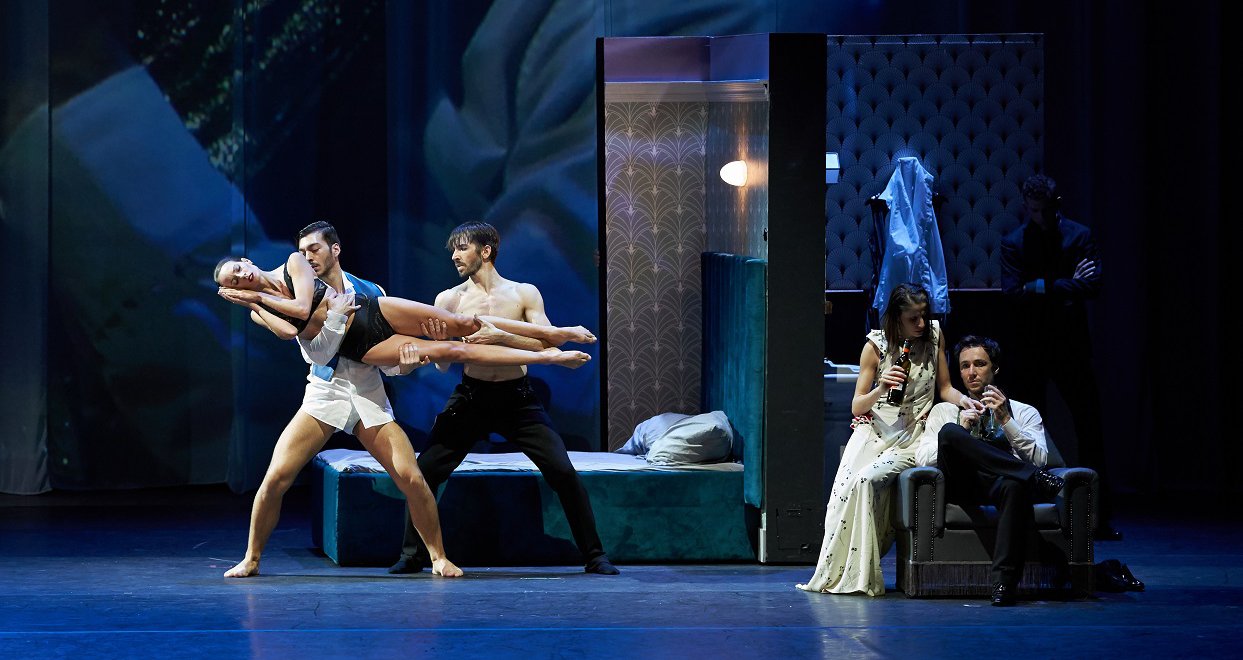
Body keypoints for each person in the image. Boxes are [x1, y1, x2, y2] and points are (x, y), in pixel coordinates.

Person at [222, 221, 462, 579]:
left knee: (411, 477)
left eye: (314, 249)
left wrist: (409, 364)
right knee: (276, 478)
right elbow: (312, 350)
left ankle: (439, 557)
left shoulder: (371, 291)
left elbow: (387, 361)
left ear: (335, 249)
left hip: (367, 394)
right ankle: (252, 558)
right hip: (325, 393)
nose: (307, 258)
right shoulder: (291, 291)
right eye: (302, 252)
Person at [388, 221, 619, 576]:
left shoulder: (524, 293)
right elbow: (443, 367)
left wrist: (500, 336)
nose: (454, 256)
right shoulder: (449, 299)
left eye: (461, 248)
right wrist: (437, 346)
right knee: (427, 470)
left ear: (486, 251)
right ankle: (413, 555)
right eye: (453, 250)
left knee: (562, 472)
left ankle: (594, 555)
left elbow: (547, 344)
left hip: (517, 398)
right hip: (472, 395)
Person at [797, 283, 978, 596]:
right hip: (874, 431)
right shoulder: (876, 346)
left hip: (911, 435)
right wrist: (881, 387)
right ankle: (838, 572)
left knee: (866, 481)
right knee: (841, 498)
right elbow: (857, 406)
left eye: (924, 315)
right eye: (913, 318)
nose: (921, 323)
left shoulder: (934, 335)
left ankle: (864, 574)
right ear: (896, 319)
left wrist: (964, 401)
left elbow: (945, 388)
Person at [214, 251, 595, 370]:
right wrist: (255, 303)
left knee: (463, 323)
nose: (242, 278)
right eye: (235, 282)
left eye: (238, 270)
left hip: (372, 311)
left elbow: (300, 307)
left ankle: (553, 333)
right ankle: (549, 357)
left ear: (246, 261)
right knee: (452, 350)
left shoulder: (293, 263)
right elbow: (289, 331)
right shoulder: (258, 309)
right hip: (359, 345)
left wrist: (260, 298)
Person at [999, 174, 1117, 540]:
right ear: (1026, 207)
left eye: (1045, 210)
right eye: (1033, 210)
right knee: (1029, 431)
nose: (1040, 216)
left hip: (1070, 346)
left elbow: (1093, 285)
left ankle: (1098, 517)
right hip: (1030, 347)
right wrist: (1066, 283)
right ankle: (1032, 514)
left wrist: (1039, 286)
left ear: (1056, 204)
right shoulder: (1014, 242)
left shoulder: (1078, 235)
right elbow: (1012, 294)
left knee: (1089, 428)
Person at [914, 335, 1066, 606]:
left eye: (979, 364)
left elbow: (1041, 458)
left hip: (1000, 485)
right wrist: (963, 429)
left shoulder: (1023, 412)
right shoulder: (945, 411)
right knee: (950, 432)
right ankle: (1033, 479)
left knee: (1014, 485)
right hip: (961, 484)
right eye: (964, 366)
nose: (971, 372)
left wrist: (1006, 420)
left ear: (995, 368)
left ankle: (1003, 584)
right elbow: (923, 460)